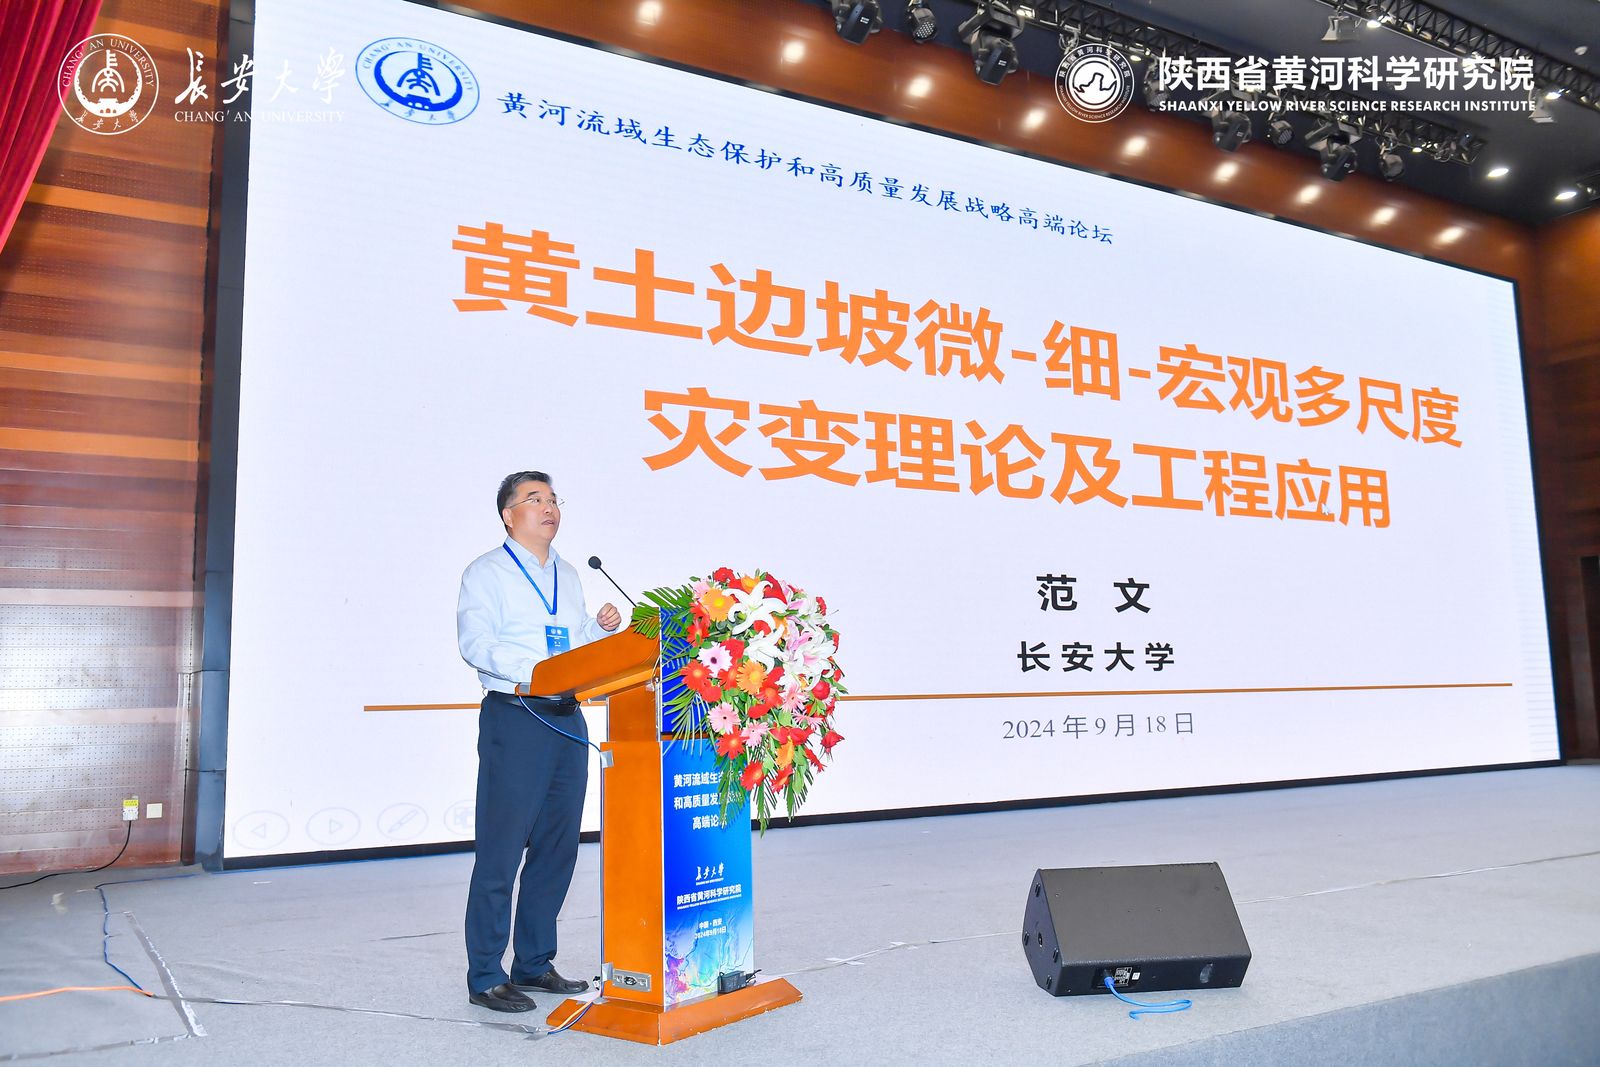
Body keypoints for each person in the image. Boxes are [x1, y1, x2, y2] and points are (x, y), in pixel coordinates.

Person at [456, 470, 622, 1012]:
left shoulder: (568, 574)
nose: (549, 507)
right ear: (509, 515)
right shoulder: (486, 572)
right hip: (517, 715)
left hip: (567, 718)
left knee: (557, 848)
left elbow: (570, 644)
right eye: (534, 499)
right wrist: (537, 672)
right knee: (502, 849)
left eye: (553, 499)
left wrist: (598, 631)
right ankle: (486, 974)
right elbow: (475, 643)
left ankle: (533, 963)